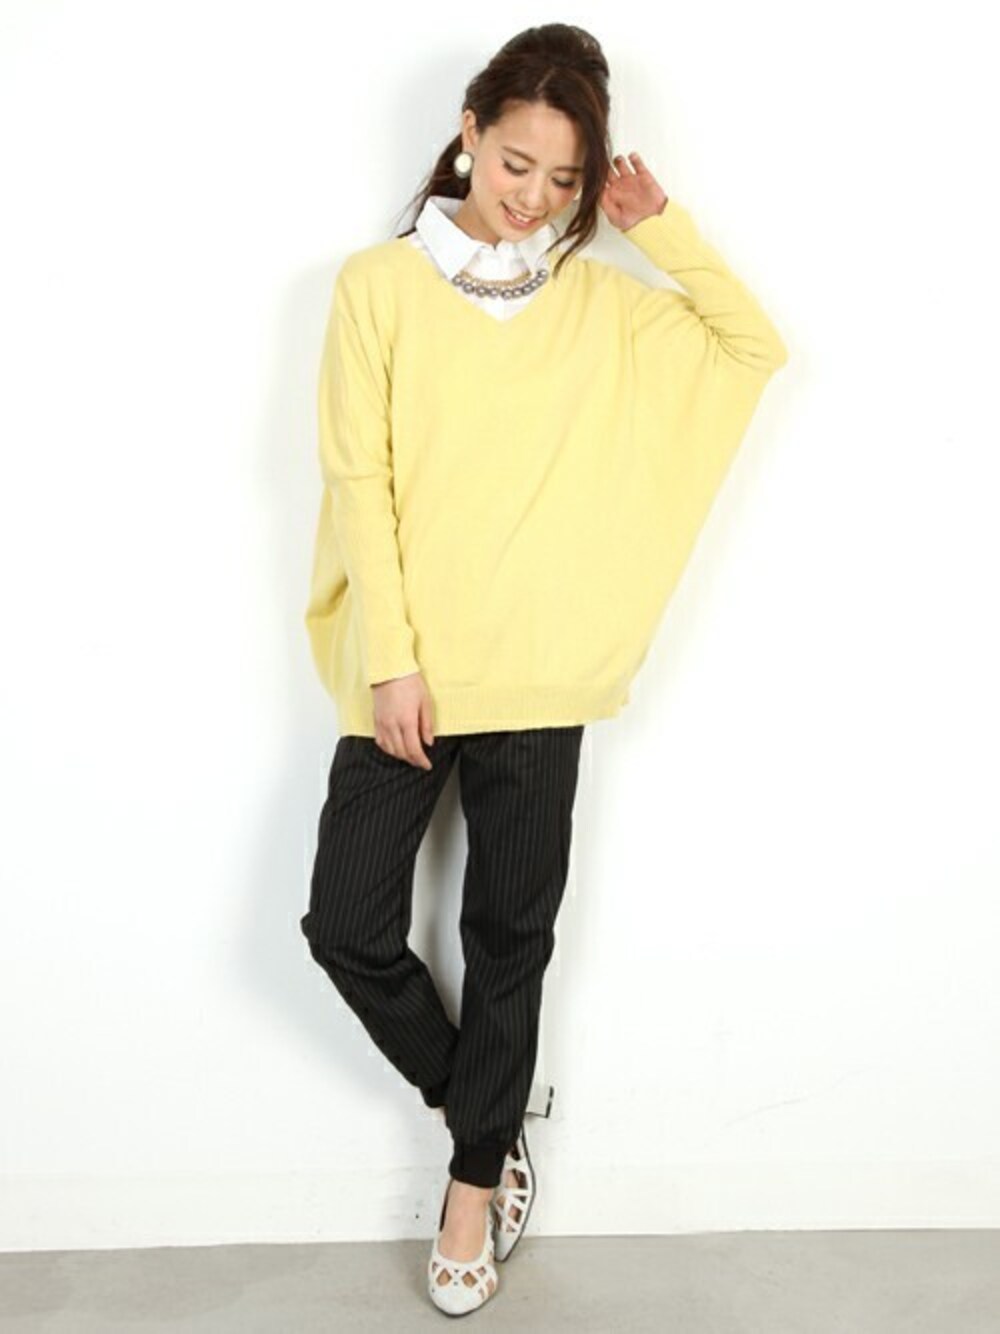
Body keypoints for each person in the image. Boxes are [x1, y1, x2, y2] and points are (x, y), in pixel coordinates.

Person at [299, 22, 788, 1316]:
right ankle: (488, 1111)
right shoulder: (376, 286)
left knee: (508, 941)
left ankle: (473, 1186)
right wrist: (392, 662)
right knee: (346, 926)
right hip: (406, 677)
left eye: (564, 180)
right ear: (469, 132)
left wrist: (660, 230)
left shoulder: (598, 304)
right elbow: (360, 481)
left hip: (543, 676)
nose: (534, 198)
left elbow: (752, 349)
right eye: (518, 163)